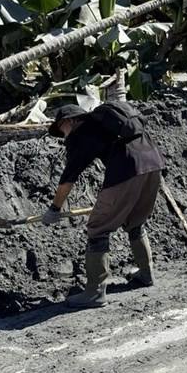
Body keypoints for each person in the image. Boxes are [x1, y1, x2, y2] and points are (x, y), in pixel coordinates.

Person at [43, 102, 165, 309]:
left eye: (60, 129)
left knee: (98, 228)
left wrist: (54, 208)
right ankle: (146, 273)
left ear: (69, 121)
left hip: (126, 170)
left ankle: (94, 293)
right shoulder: (108, 124)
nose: (62, 135)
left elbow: (68, 178)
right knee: (135, 221)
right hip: (154, 163)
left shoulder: (81, 134)